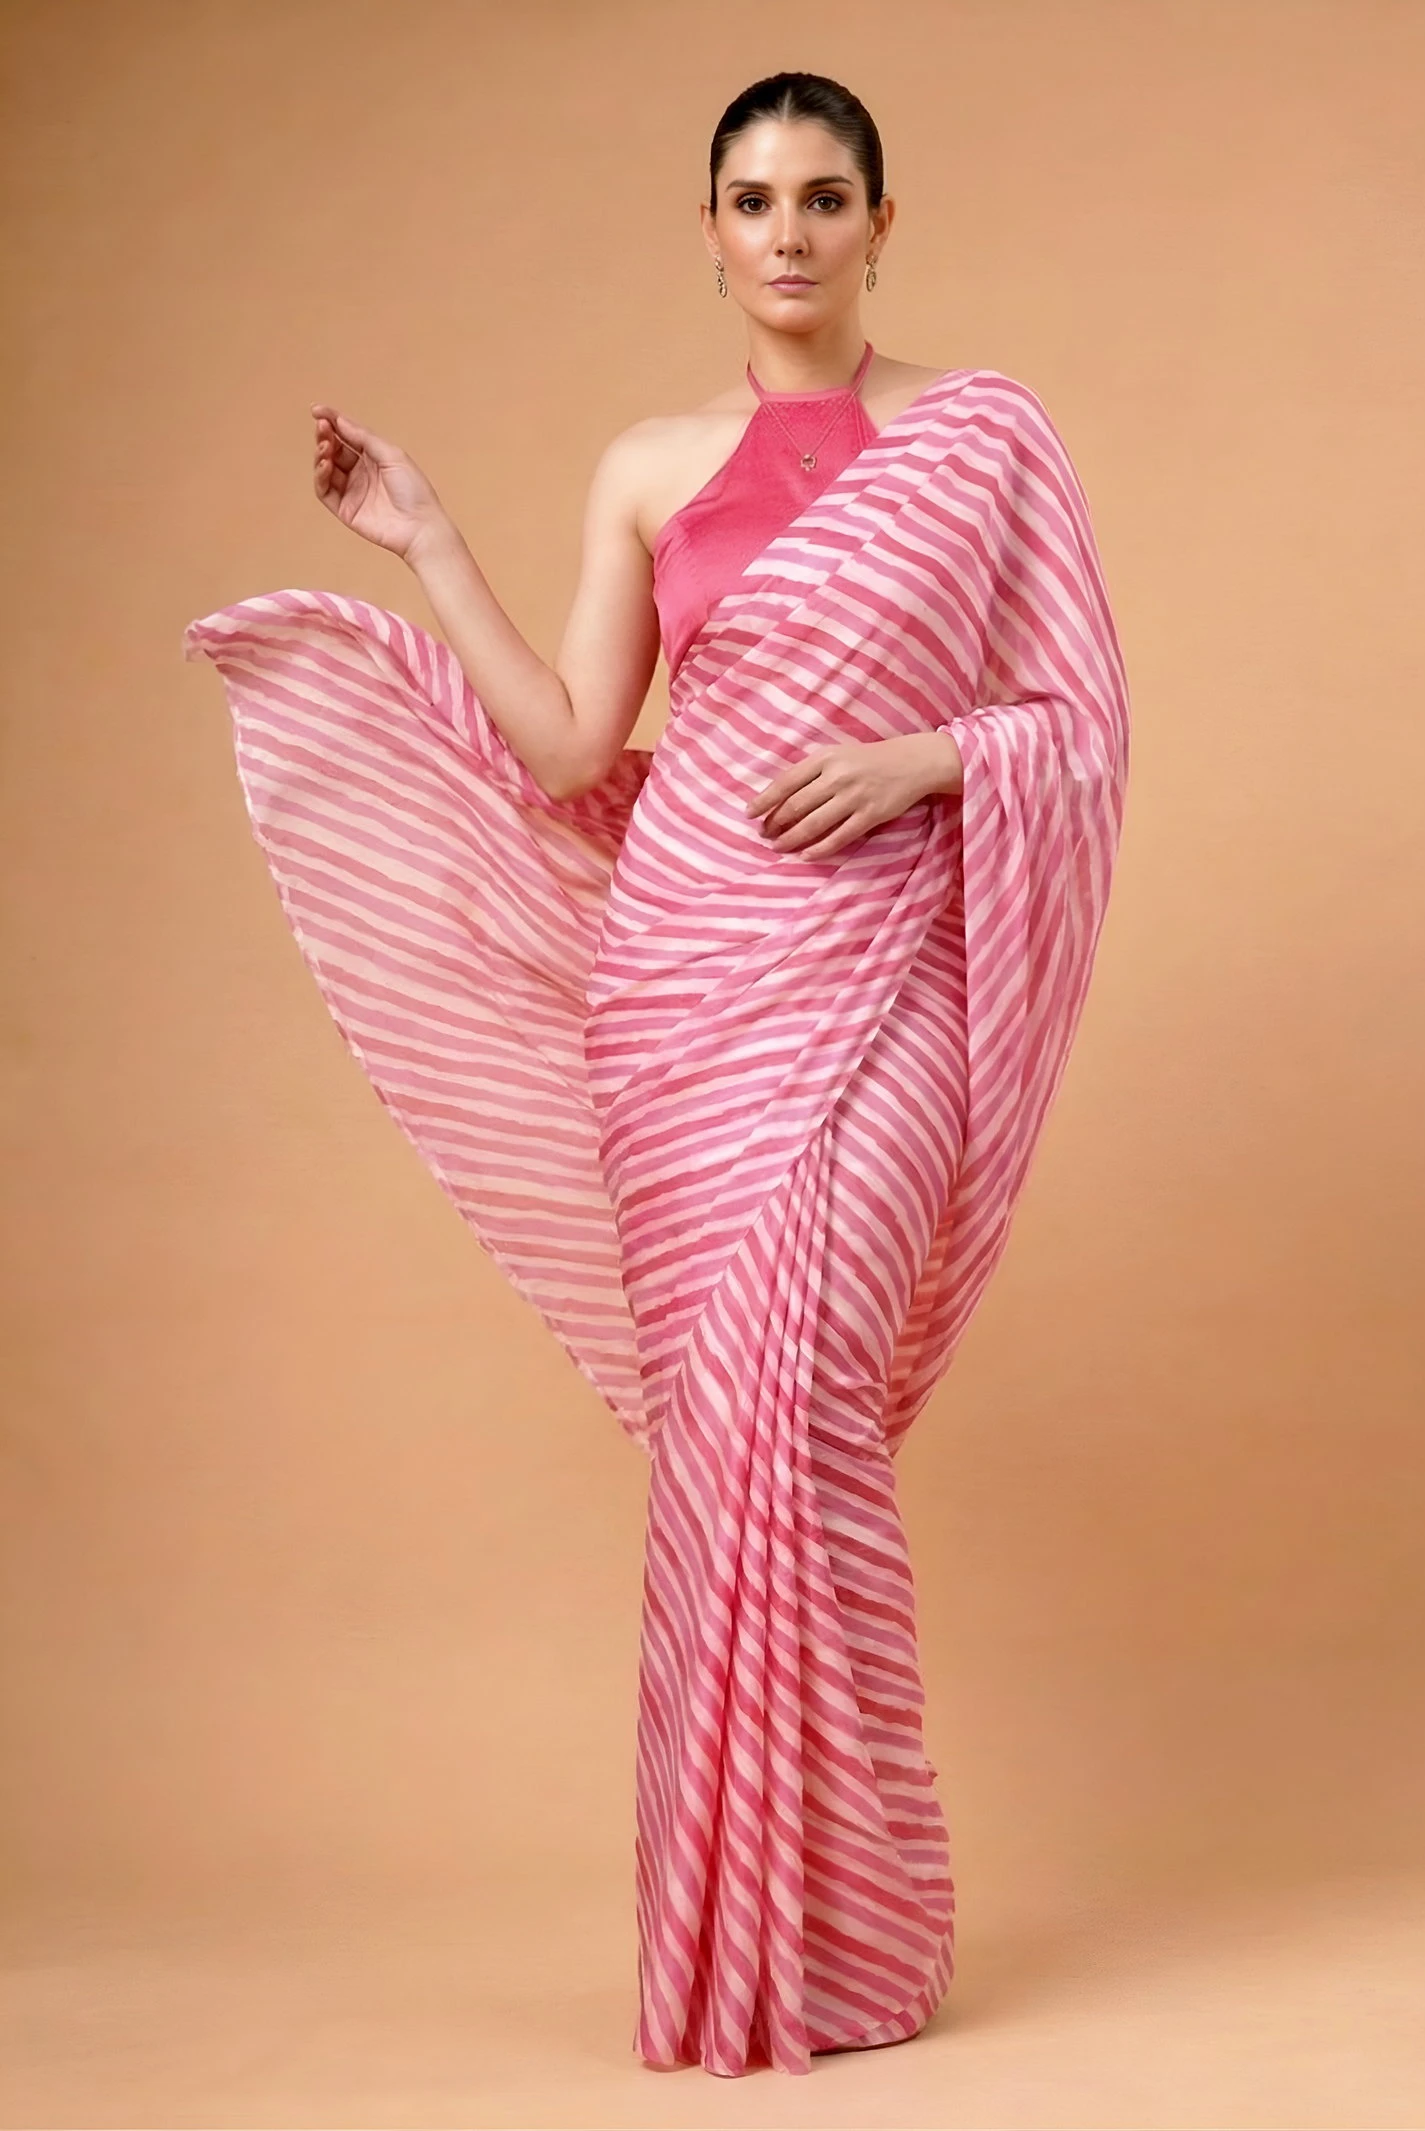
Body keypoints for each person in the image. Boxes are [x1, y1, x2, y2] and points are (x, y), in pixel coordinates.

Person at [183, 69, 1131, 2080]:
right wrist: (426, 539)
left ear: (883, 223)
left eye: (824, 196)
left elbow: (1081, 716)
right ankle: (751, 1931)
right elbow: (567, 746)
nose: (788, 232)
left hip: (885, 974)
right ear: (707, 233)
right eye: (751, 199)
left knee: (807, 1404)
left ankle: (853, 1920)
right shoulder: (645, 465)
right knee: (724, 1442)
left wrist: (931, 759)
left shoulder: (983, 440)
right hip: (683, 990)